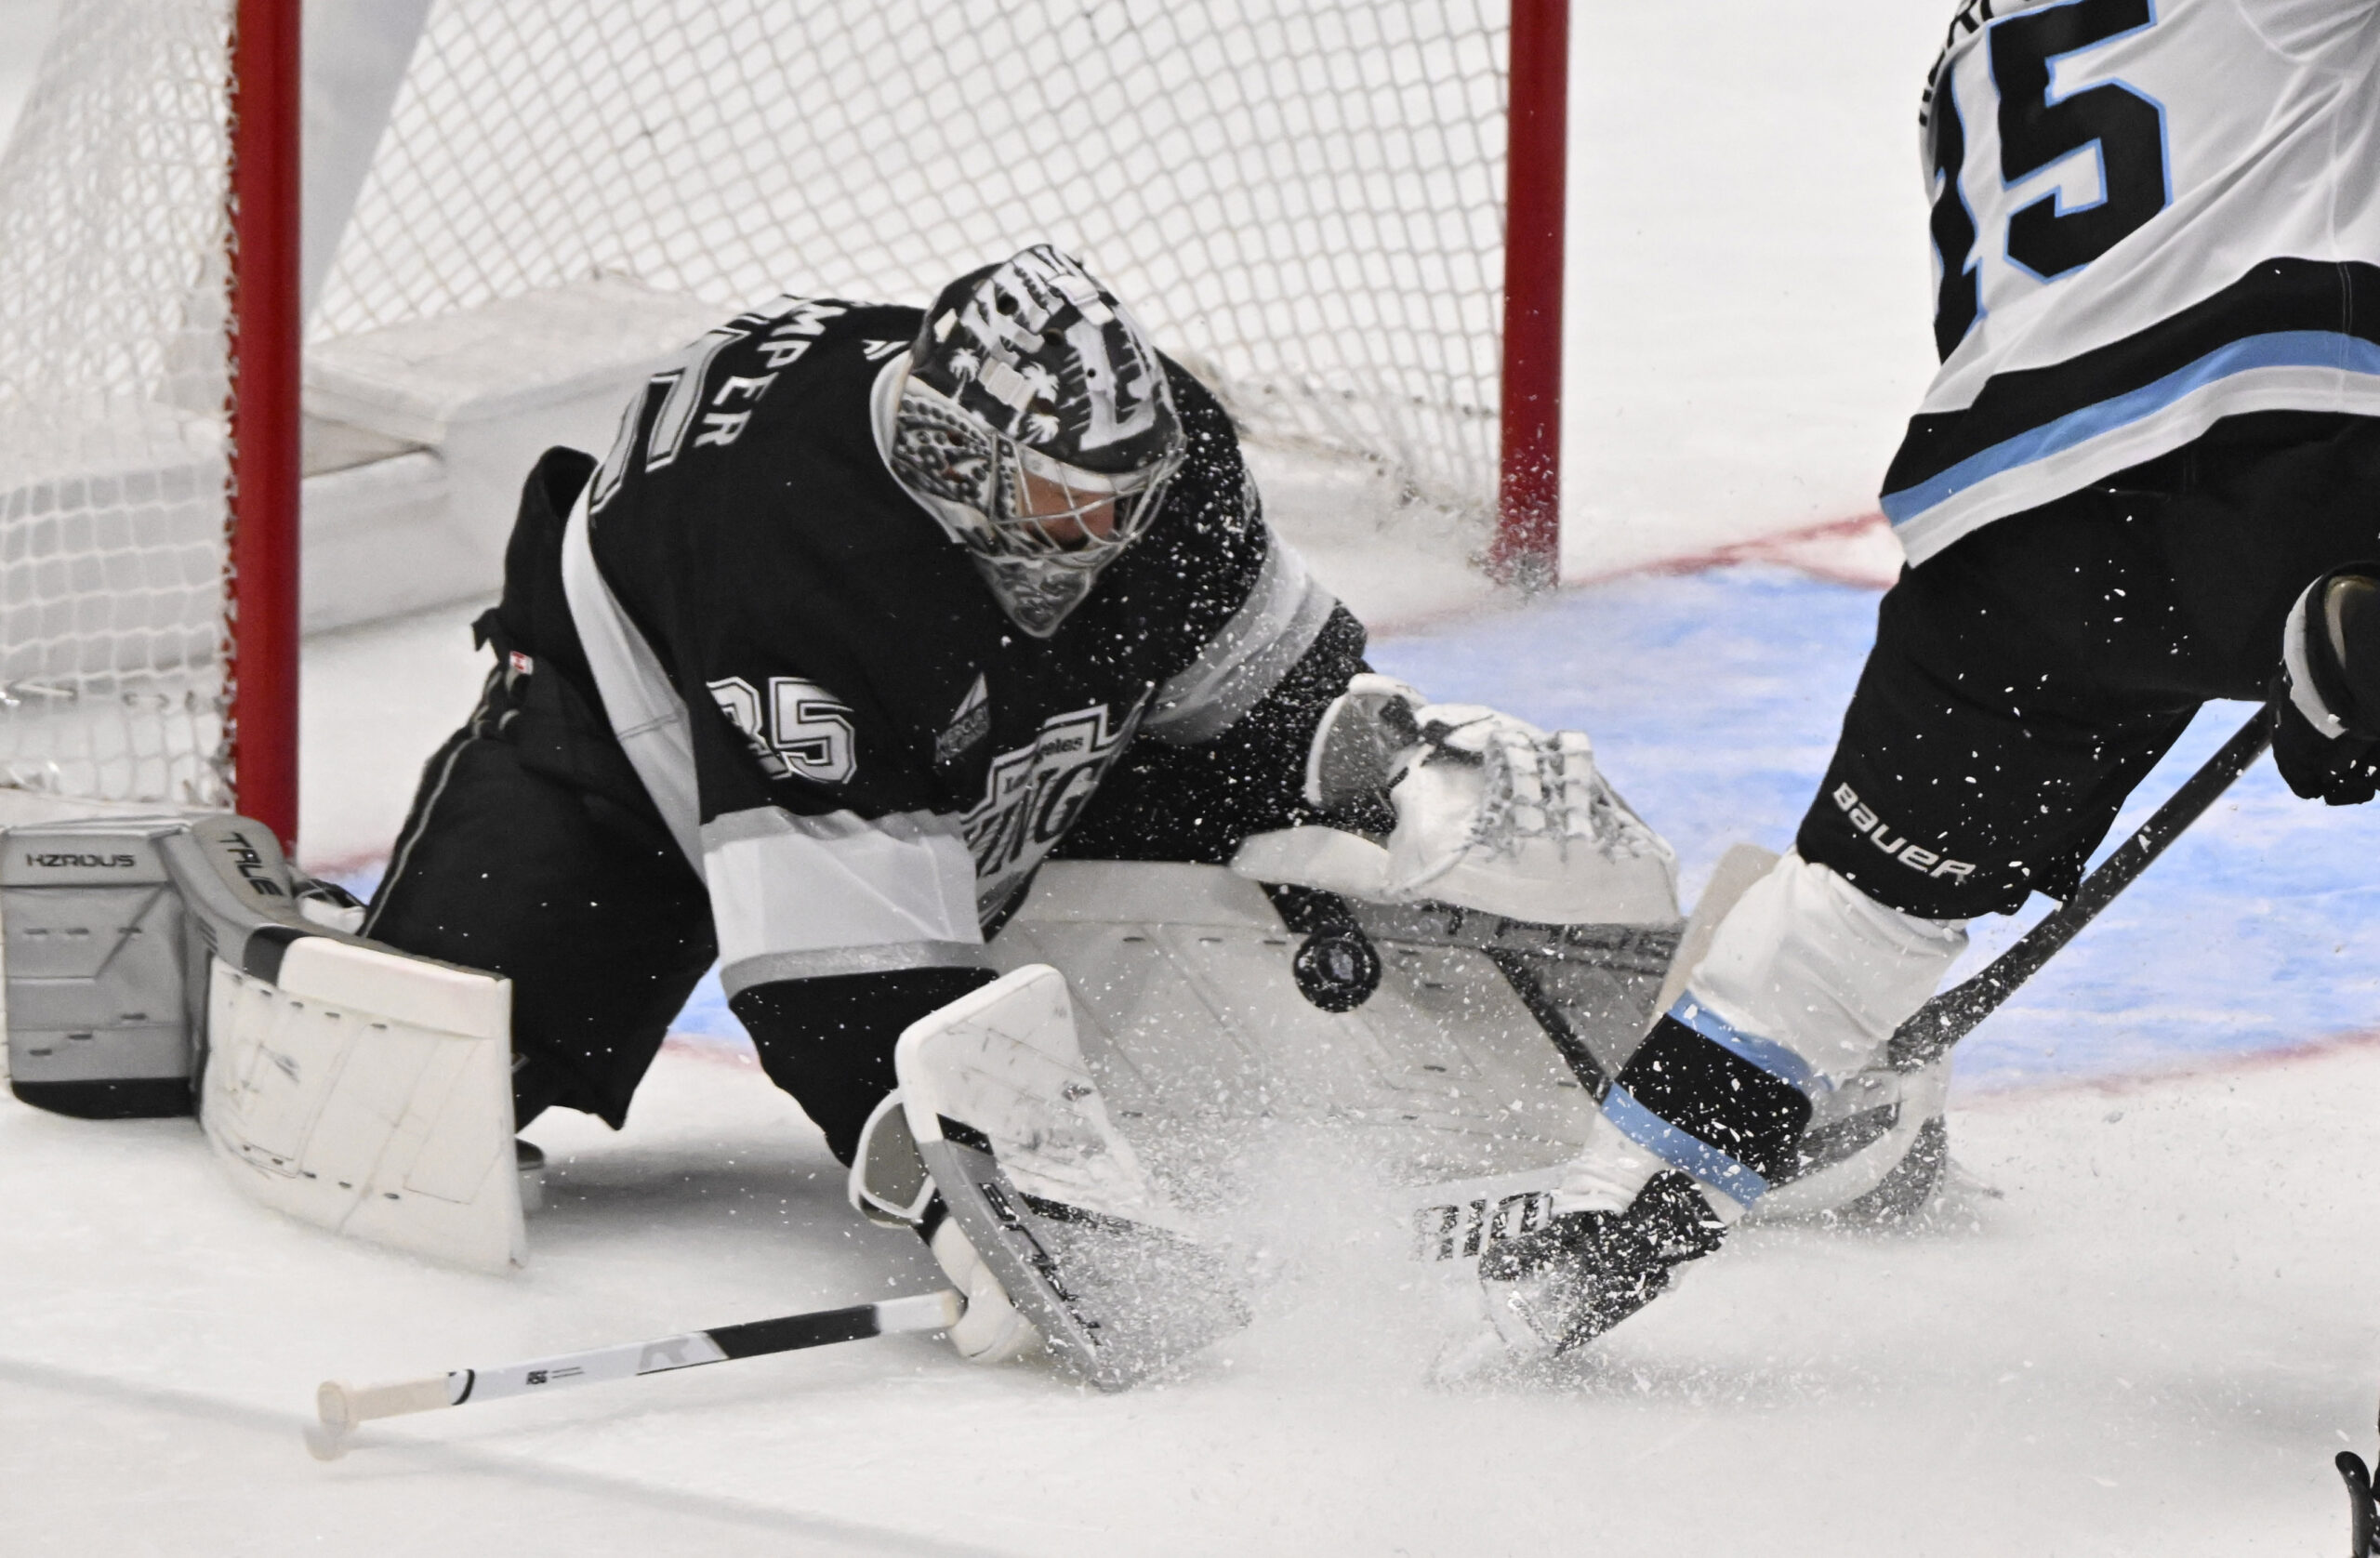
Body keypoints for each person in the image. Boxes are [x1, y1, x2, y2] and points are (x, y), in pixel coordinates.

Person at [361, 244, 1550, 1361]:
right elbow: (834, 967)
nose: (1108, 537)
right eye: (1064, 505)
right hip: (637, 743)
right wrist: (968, 1192)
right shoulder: (793, 536)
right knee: (413, 1092)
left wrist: (1387, 796)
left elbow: (1278, 700)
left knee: (1292, 841)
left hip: (978, 728)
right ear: (949, 457)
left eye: (1122, 498)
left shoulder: (1161, 465)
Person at [1480, 0, 2380, 1353]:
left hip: (2011, 547)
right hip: (2283, 456)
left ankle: (1560, 1272)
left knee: (1847, 936)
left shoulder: (1966, 49)